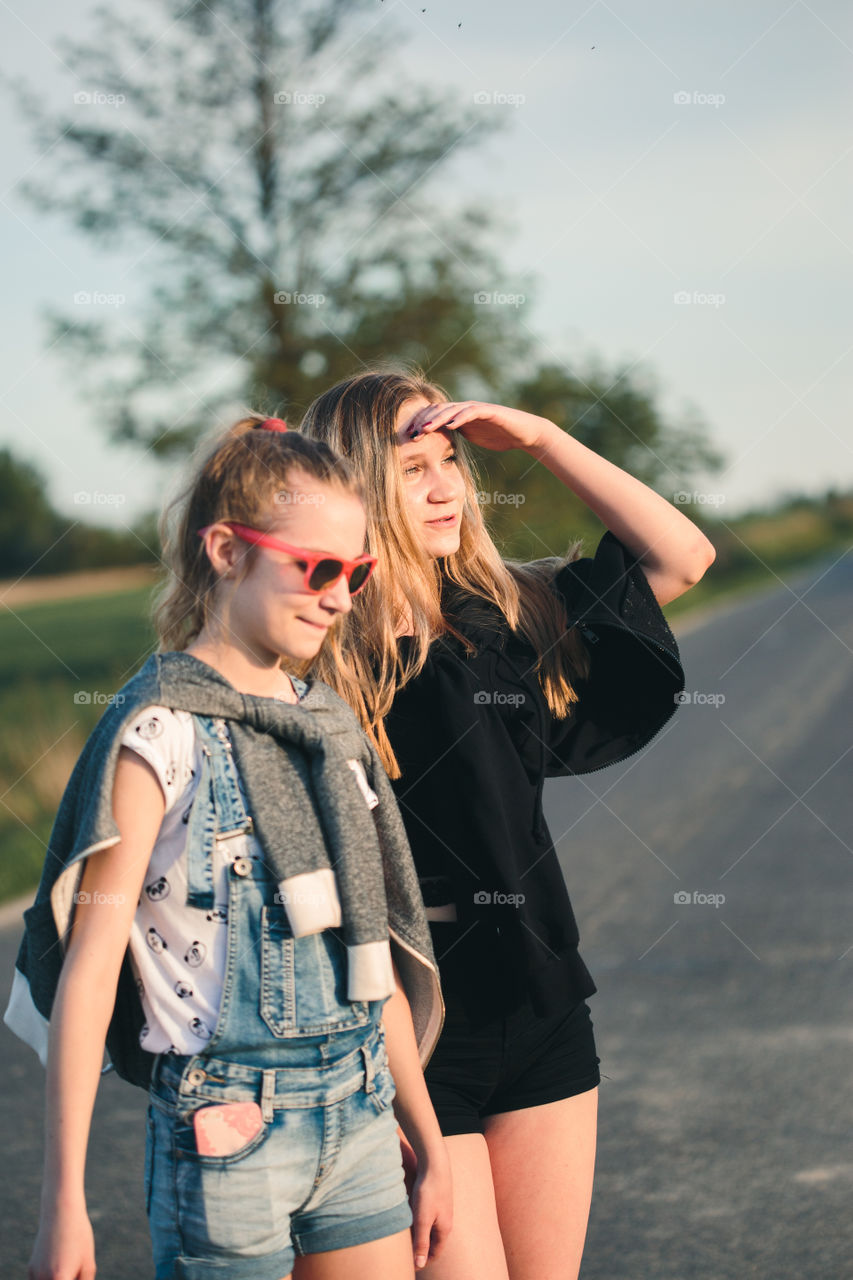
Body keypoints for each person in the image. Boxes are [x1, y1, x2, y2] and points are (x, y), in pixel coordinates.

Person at [5, 415, 452, 1280]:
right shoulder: (159, 733)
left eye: (355, 572)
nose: (339, 595)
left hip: (361, 1117)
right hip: (225, 1136)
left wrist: (427, 1143)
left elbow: (371, 956)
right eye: (317, 567)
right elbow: (90, 972)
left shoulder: (327, 727)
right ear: (225, 550)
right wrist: (63, 1204)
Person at [299, 371, 716, 1280]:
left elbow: (680, 557)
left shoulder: (509, 613)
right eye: (412, 470)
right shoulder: (316, 648)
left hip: (539, 1009)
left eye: (451, 462)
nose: (447, 486)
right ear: (353, 488)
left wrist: (539, 440)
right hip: (402, 1026)